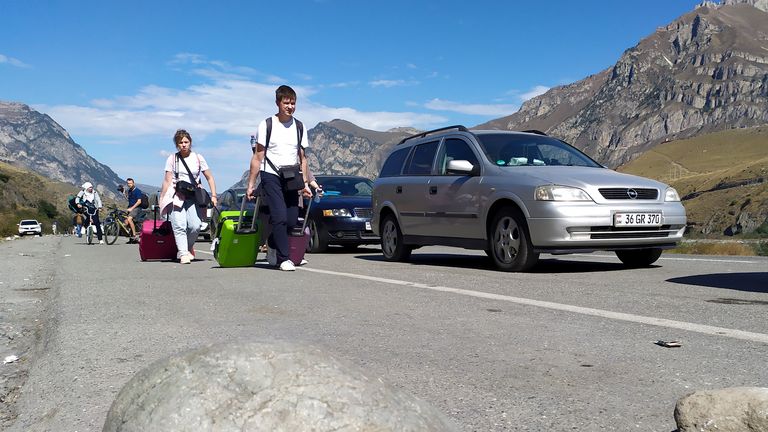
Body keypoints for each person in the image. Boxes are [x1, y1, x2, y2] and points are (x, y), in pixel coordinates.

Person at [246, 85, 315, 271]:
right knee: (279, 216)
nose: (290, 106)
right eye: (286, 103)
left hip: (291, 176)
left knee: (292, 220)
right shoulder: (267, 124)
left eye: (293, 103)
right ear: (278, 103)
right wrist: (251, 184)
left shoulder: (300, 127)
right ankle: (284, 258)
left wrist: (306, 184)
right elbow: (258, 157)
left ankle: (273, 242)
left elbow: (303, 158)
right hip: (271, 174)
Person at [159, 129, 217, 264]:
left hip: (193, 195)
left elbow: (209, 177)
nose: (184, 145)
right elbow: (167, 180)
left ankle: (188, 246)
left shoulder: (198, 158)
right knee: (179, 224)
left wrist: (213, 195)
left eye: (186, 142)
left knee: (195, 225)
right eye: (180, 142)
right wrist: (162, 198)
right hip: (176, 195)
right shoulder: (172, 158)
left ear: (190, 142)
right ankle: (183, 253)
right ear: (177, 144)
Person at [123, 178, 145, 243]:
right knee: (126, 223)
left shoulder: (137, 191)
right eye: (128, 183)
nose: (129, 184)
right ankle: (131, 238)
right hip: (130, 208)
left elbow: (139, 201)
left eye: (130, 183)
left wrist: (132, 208)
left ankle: (134, 235)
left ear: (133, 183)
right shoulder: (129, 191)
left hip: (137, 208)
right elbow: (129, 199)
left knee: (129, 219)